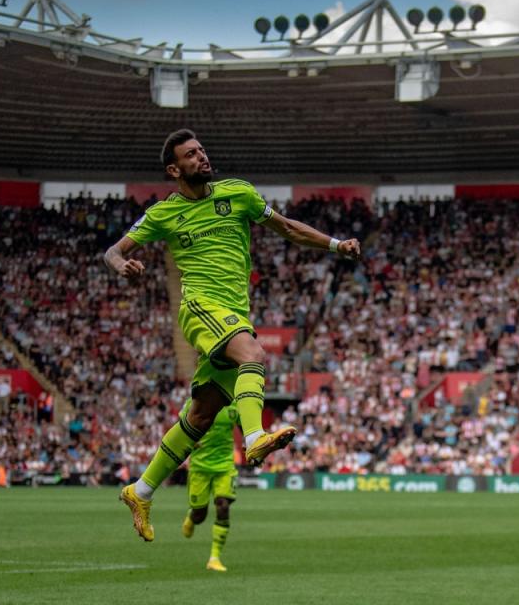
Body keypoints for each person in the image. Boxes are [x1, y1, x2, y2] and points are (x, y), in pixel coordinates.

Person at [104, 129, 360, 541]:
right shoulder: (163, 214)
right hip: (201, 306)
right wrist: (122, 265)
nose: (201, 157)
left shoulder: (237, 193)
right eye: (191, 154)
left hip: (233, 311)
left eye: (202, 150)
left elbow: (287, 228)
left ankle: (141, 490)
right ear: (174, 169)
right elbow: (113, 251)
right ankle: (255, 437)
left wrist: (335, 245)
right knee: (253, 355)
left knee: (201, 416)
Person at [179, 399, 240, 572]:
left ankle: (214, 558)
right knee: (200, 514)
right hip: (200, 467)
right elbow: (182, 425)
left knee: (223, 506)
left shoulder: (235, 404)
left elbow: (247, 430)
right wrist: (189, 440)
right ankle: (192, 516)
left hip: (225, 465)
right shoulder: (196, 400)